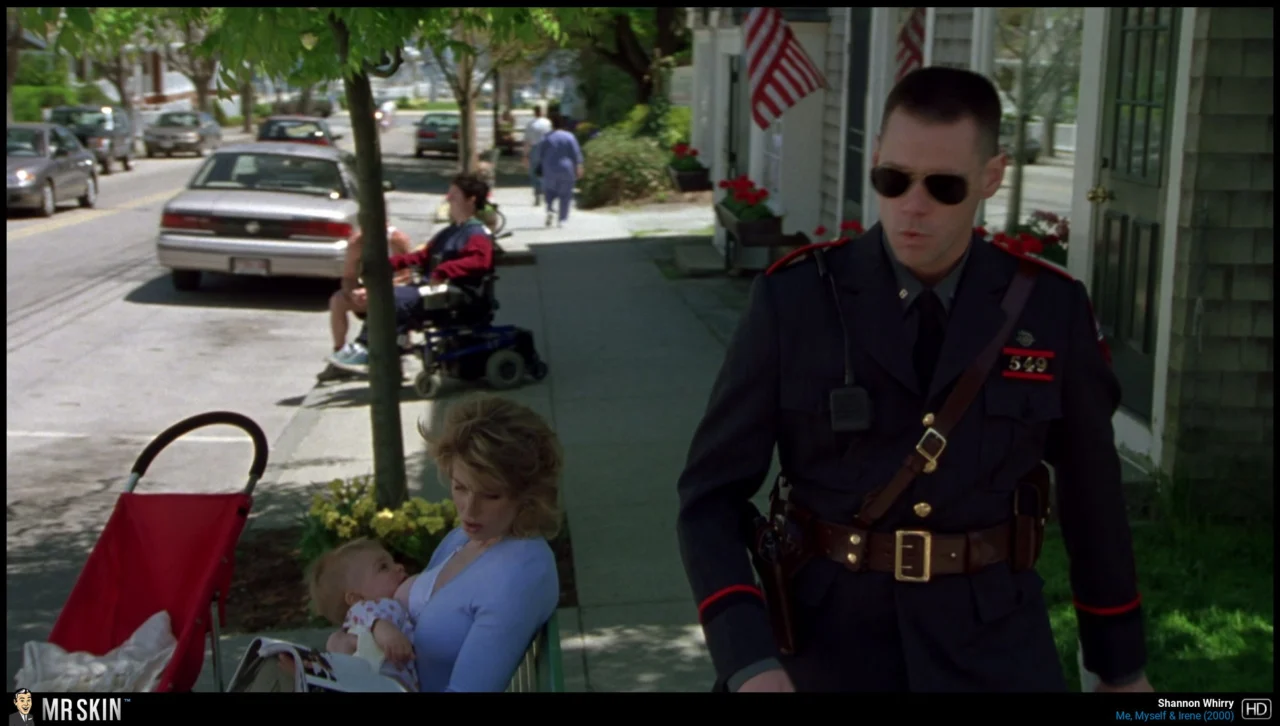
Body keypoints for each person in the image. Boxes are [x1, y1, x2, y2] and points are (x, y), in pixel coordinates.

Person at [675, 66, 1151, 693]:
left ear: (991, 177)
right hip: (825, 649)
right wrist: (748, 661)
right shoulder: (796, 300)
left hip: (993, 651)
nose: (913, 206)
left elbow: (1094, 501)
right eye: (893, 179)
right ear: (875, 158)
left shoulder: (1048, 310)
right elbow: (710, 498)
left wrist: (1121, 669)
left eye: (943, 186)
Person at [323, 394, 563, 692]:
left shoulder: (521, 573)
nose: (469, 510)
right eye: (460, 487)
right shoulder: (467, 537)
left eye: (491, 495)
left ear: (527, 495)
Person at [328, 172, 496, 374]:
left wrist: (443, 270)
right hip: (436, 290)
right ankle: (379, 352)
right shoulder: (451, 231)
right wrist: (388, 264)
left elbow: (480, 261)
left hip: (457, 295)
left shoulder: (476, 232)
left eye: (454, 194)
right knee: (385, 295)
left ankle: (366, 348)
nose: (448, 198)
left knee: (394, 298)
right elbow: (423, 256)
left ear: (471, 200)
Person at [306, 539, 420, 691]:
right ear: (355, 598)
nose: (399, 567)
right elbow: (367, 616)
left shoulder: (396, 605)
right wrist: (383, 629)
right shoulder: (369, 607)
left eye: (393, 562)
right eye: (383, 567)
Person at [317, 225, 414, 382]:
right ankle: (340, 355)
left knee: (400, 302)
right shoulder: (357, 242)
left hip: (392, 292)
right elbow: (349, 276)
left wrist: (375, 290)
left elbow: (406, 276)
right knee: (337, 300)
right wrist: (352, 292)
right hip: (366, 292)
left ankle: (400, 356)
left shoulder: (396, 240)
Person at [533, 113, 583, 228]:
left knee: (549, 192)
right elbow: (576, 153)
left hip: (549, 169)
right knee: (565, 195)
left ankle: (550, 209)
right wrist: (579, 166)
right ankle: (562, 219)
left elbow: (539, 154)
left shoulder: (546, 137)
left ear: (552, 125)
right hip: (566, 169)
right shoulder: (570, 137)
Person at [522, 104, 552, 206]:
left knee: (533, 171)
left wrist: (525, 154)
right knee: (545, 170)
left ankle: (537, 192)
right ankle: (544, 190)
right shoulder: (547, 123)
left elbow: (527, 141)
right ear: (542, 112)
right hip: (546, 149)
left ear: (534, 112)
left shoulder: (530, 124)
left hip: (535, 148)